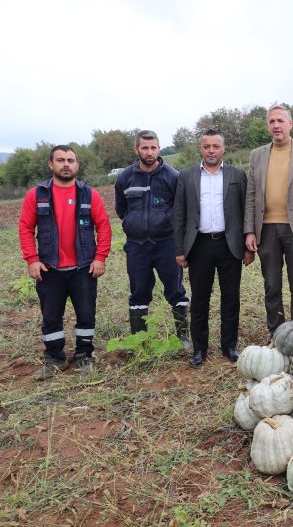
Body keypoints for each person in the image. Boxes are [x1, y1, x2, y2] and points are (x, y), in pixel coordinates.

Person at [19, 145, 112, 378]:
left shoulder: (89, 194)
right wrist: (32, 260)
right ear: (51, 164)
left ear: (77, 165)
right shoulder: (36, 195)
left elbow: (103, 226)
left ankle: (84, 356)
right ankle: (54, 358)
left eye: (71, 160)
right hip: (49, 268)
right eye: (60, 160)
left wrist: (100, 257)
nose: (66, 164)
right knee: (51, 316)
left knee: (86, 315)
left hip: (83, 268)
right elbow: (25, 227)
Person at [173, 130, 252, 366]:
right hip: (199, 246)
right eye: (206, 146)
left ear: (223, 149)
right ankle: (200, 349)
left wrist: (249, 245)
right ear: (200, 148)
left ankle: (229, 346)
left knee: (230, 298)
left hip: (229, 245)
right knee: (199, 299)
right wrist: (180, 249)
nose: (211, 151)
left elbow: (245, 211)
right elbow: (178, 215)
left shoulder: (237, 175)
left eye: (215, 146)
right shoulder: (186, 177)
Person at [245, 105, 293, 336]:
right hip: (265, 229)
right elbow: (250, 195)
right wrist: (249, 230)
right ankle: (276, 333)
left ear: (290, 124)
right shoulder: (257, 155)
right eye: (271, 121)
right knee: (271, 285)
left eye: (280, 121)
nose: (276, 125)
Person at [114, 130, 189, 347]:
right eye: (145, 148)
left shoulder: (173, 176)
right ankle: (140, 340)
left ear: (158, 148)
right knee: (138, 292)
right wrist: (134, 223)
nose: (149, 152)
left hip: (166, 244)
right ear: (136, 149)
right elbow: (121, 209)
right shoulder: (125, 177)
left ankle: (182, 336)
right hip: (137, 247)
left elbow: (180, 210)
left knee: (175, 290)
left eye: (153, 147)